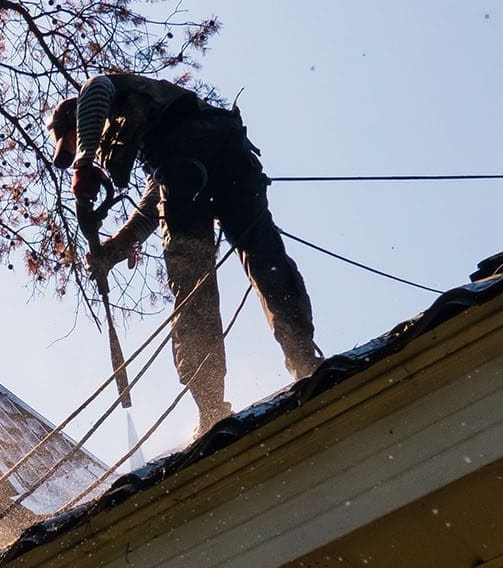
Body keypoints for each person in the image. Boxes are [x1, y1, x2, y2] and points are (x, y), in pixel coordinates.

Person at [49, 74, 321, 427]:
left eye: (77, 141)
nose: (96, 150)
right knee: (263, 255)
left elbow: (96, 90)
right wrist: (115, 249)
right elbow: (153, 203)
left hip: (200, 162)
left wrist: (83, 165)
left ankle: (214, 402)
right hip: (222, 160)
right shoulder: (153, 130)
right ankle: (303, 361)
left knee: (192, 283)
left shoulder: (101, 93)